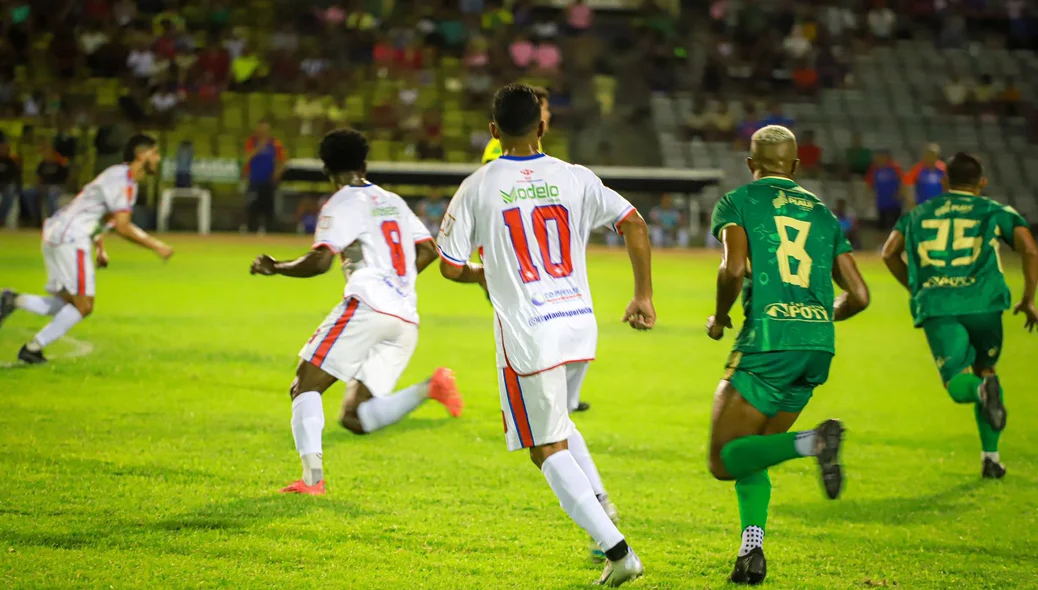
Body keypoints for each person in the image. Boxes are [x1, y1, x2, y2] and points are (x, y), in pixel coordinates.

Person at [437, 83, 651, 586]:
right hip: (578, 327)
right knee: (558, 425)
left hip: (528, 335)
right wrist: (642, 296)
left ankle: (618, 552)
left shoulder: (478, 185)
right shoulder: (575, 177)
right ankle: (599, 501)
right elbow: (635, 224)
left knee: (543, 446)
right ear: (542, 125)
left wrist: (487, 275)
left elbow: (448, 266)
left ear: (493, 131)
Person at [248, 129, 463, 496]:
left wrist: (276, 267)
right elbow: (427, 251)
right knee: (355, 418)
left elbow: (319, 262)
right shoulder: (392, 200)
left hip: (368, 305)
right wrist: (398, 278)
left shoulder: (340, 203)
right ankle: (430, 387)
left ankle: (312, 480)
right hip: (405, 318)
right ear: (364, 164)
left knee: (304, 385)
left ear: (327, 170)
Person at [706, 125, 870, 585]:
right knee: (753, 455)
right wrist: (814, 318)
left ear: (749, 163)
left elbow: (733, 267)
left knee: (723, 460)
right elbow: (858, 295)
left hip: (767, 344)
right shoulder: (822, 214)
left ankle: (812, 442)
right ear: (795, 167)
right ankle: (751, 551)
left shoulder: (738, 201)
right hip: (815, 348)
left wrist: (720, 318)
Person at [881, 152, 1038, 481]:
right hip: (985, 304)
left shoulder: (917, 213)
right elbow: (1029, 248)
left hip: (940, 304)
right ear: (982, 182)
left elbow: (888, 252)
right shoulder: (995, 210)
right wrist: (1027, 299)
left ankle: (982, 392)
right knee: (987, 370)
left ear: (944, 182)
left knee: (957, 383)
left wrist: (916, 287)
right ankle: (991, 458)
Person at [0, 135, 174, 364]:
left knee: (68, 302)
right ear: (142, 155)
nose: (158, 158)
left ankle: (13, 300)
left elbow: (99, 215)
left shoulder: (119, 176)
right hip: (71, 237)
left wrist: (100, 247)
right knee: (84, 305)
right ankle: (32, 348)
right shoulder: (124, 180)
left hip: (59, 232)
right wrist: (156, 245)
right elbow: (123, 226)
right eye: (155, 152)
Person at [482, 86, 549, 164]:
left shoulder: (535, 143)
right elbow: (493, 168)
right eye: (546, 109)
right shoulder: (503, 140)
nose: (548, 114)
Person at [242, 120, 287, 233]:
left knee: (269, 209)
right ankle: (251, 231)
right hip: (254, 181)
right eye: (261, 130)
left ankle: (270, 233)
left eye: (265, 130)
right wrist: (259, 148)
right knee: (253, 208)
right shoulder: (251, 142)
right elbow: (246, 158)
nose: (263, 132)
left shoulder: (275, 143)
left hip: (268, 181)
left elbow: (283, 161)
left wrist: (277, 173)